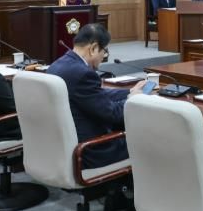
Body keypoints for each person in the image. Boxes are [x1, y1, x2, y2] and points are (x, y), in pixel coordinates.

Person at [47, 24, 145, 169]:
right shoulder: (83, 74)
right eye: (105, 51)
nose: (104, 57)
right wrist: (132, 100)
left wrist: (129, 92)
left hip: (65, 146)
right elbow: (113, 114)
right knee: (148, 138)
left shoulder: (57, 65)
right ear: (93, 48)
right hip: (92, 151)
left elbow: (96, 94)